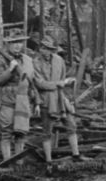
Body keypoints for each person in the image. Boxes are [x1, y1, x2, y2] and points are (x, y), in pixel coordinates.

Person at [32, 36, 91, 168]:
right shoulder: (35, 63)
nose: (45, 51)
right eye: (43, 47)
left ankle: (76, 155)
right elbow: (40, 83)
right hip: (46, 100)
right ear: (40, 48)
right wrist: (60, 83)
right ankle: (49, 160)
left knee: (71, 126)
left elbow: (63, 78)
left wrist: (66, 86)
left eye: (48, 48)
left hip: (60, 98)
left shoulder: (59, 60)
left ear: (53, 50)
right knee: (47, 132)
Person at [0, 29, 35, 162]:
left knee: (20, 133)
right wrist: (10, 70)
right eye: (14, 42)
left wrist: (35, 101)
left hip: (22, 101)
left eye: (20, 42)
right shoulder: (1, 60)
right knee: (6, 133)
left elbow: (31, 82)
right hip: (7, 102)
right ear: (8, 44)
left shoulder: (26, 60)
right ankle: (7, 163)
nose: (17, 45)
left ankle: (19, 164)